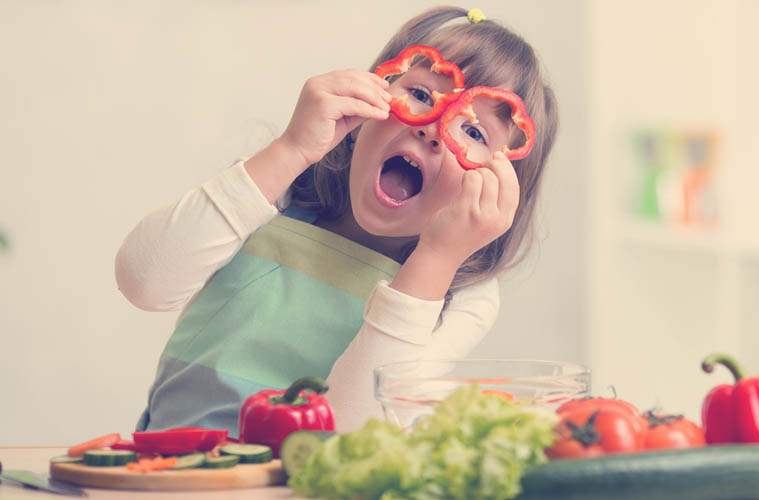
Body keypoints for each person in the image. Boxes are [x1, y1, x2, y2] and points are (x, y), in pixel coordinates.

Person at [115, 6, 559, 434]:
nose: (432, 128)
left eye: (474, 131)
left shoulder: (465, 293)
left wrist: (437, 259)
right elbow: (143, 282)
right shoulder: (277, 190)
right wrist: (290, 148)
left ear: (499, 185)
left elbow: (353, 431)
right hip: (164, 472)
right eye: (421, 94)